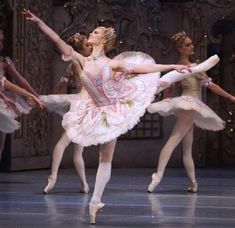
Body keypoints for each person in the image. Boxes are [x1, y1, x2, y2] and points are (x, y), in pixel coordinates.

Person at [23, 9, 219, 224]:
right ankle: (95, 201)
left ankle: (95, 201)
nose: (92, 33)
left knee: (157, 83)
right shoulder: (82, 59)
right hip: (94, 109)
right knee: (103, 157)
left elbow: (143, 67)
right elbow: (57, 39)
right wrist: (39, 21)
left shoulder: (111, 63)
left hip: (116, 103)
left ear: (103, 40)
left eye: (96, 32)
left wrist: (171, 65)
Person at [147, 31, 235, 194]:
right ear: (180, 49)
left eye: (191, 43)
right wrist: (230, 97)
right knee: (173, 141)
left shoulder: (190, 68)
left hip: (190, 105)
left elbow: (206, 84)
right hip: (189, 104)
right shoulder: (188, 68)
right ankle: (157, 177)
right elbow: (212, 86)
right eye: (188, 45)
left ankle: (193, 183)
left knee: (187, 148)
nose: (192, 46)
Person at [43, 33, 92, 194]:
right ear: (79, 49)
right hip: (81, 106)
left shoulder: (88, 62)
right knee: (64, 142)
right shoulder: (78, 63)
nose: (90, 47)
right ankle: (53, 176)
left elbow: (61, 84)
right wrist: (51, 98)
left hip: (87, 107)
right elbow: (62, 84)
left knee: (78, 150)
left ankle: (84, 184)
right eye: (86, 45)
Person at [0, 28, 39, 160]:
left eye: (2, 41)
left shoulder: (4, 62)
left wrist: (34, 94)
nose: (1, 44)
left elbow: (20, 79)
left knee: (1, 135)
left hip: (1, 100)